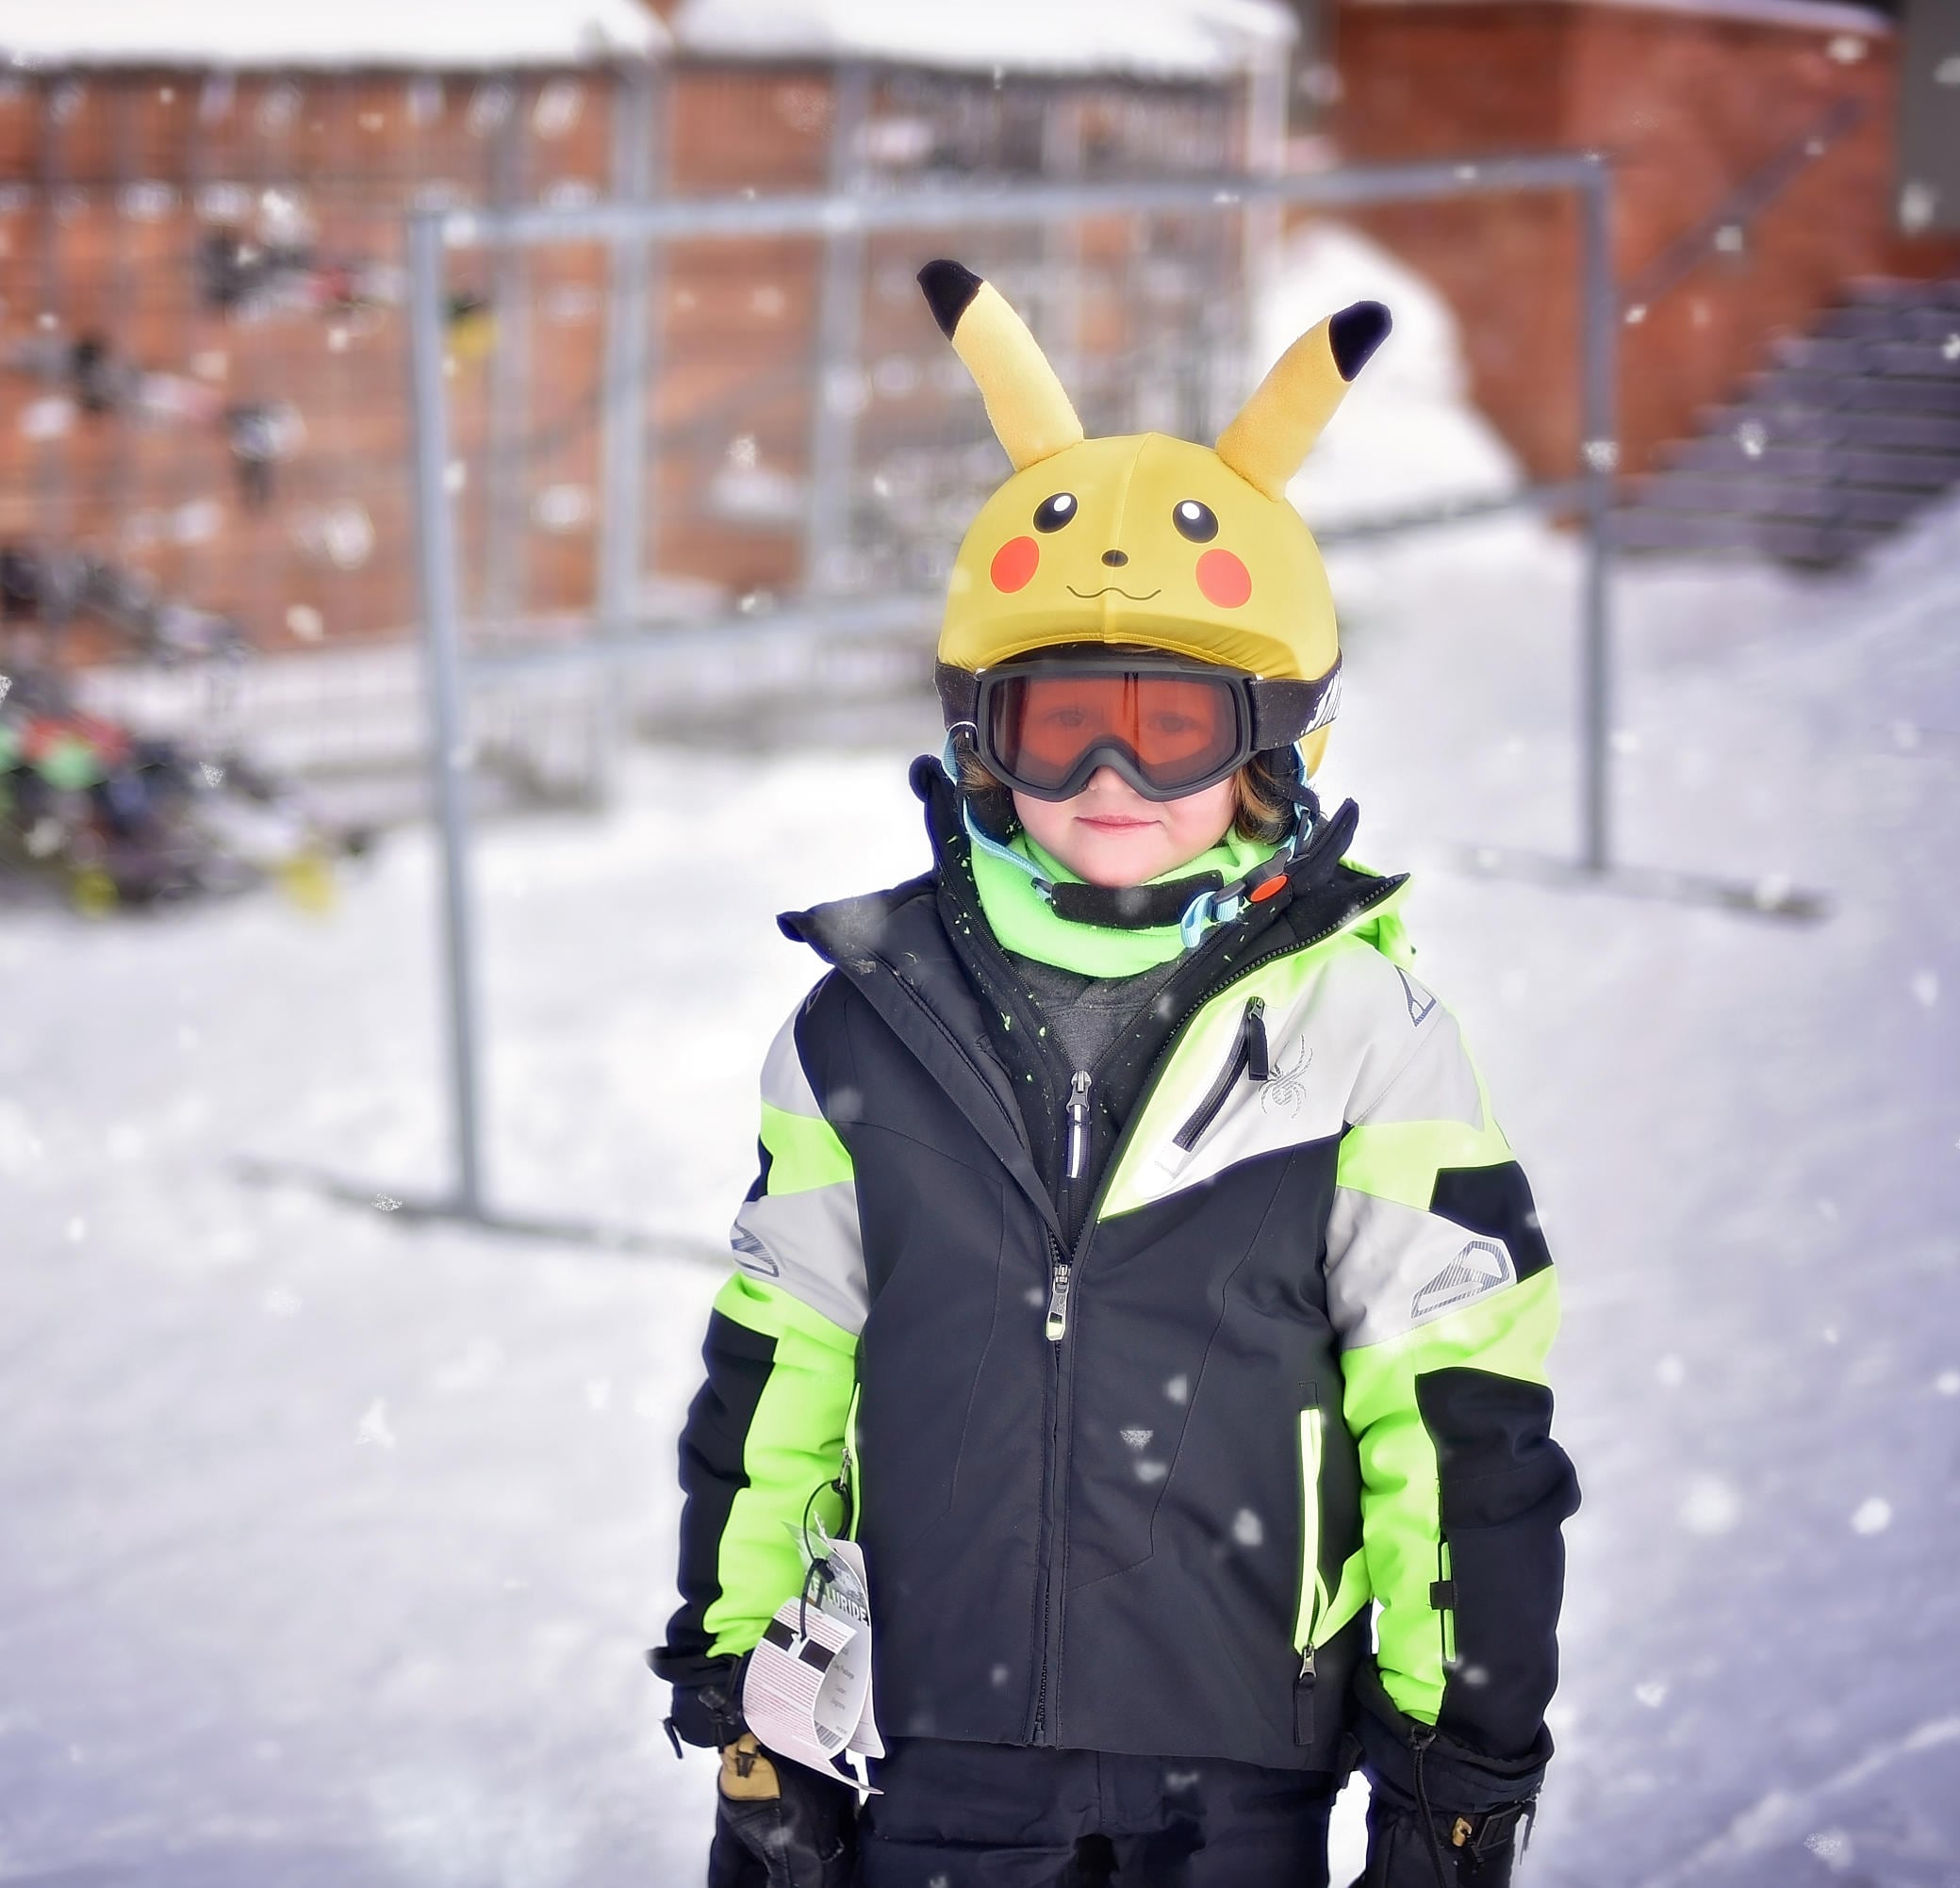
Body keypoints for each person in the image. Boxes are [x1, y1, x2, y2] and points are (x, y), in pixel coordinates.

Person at [651, 261, 1578, 1888]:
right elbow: (781, 1376)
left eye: (1173, 728)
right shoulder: (864, 1026)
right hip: (931, 1750)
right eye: (1060, 721)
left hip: (1235, 1770)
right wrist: (751, 1701)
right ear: (980, 735)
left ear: (1275, 742)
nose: (1109, 780)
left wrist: (1462, 1763)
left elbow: (1454, 1414)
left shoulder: (1360, 1037)